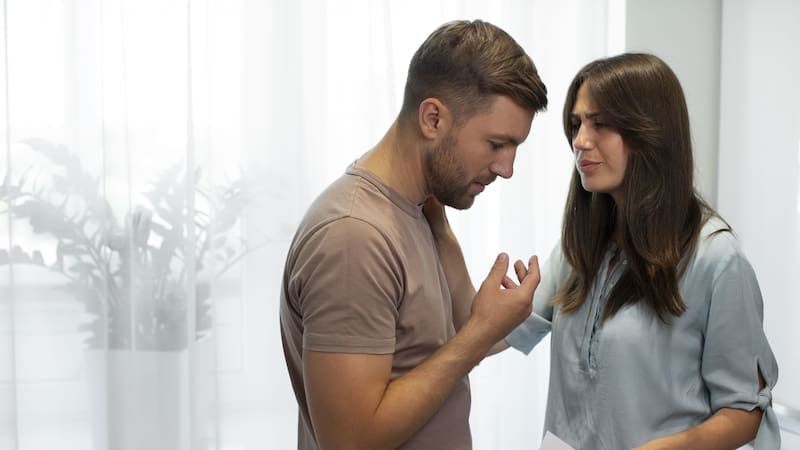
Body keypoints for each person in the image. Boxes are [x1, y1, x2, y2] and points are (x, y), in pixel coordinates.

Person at [279, 20, 548, 450]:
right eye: (496, 144)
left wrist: (443, 238)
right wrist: (478, 335)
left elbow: (447, 340)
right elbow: (349, 441)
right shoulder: (356, 236)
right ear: (433, 118)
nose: (507, 168)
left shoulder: (418, 209)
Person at [498, 53, 779, 449]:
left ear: (650, 131)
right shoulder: (580, 246)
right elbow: (499, 330)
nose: (580, 140)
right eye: (577, 124)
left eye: (600, 123)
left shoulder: (716, 260)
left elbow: (743, 412)